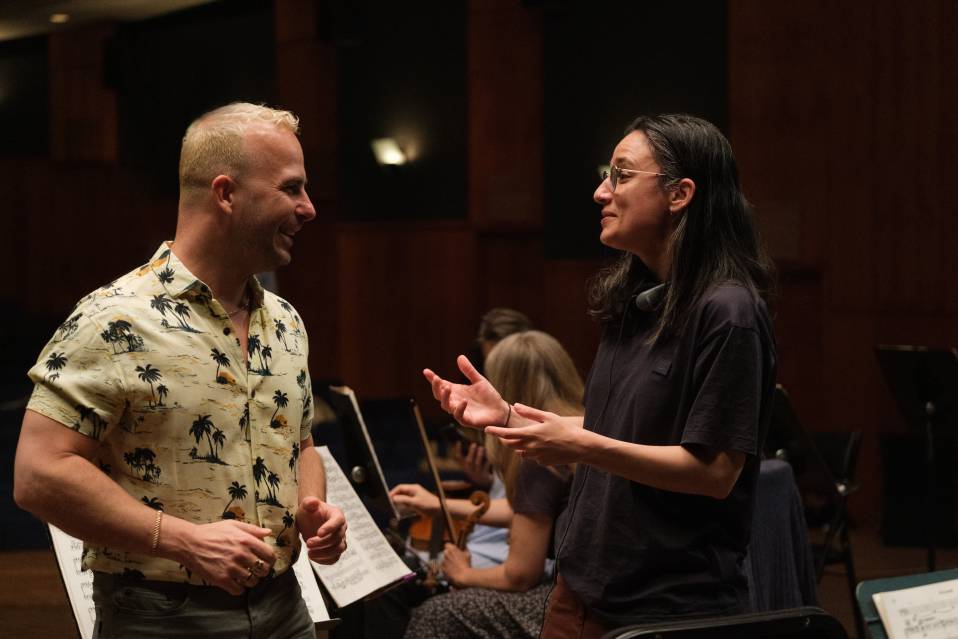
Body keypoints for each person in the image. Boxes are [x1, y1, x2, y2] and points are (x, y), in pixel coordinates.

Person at [424, 114, 777, 638]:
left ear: (679, 194)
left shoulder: (728, 310)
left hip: (666, 609)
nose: (599, 192)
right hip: (583, 589)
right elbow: (614, 429)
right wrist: (511, 416)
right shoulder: (633, 303)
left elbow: (715, 472)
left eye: (620, 175)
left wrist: (581, 444)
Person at [14, 102, 347, 638]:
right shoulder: (114, 318)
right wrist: (184, 540)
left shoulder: (284, 321)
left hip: (286, 608)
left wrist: (314, 509)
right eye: (291, 188)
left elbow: (300, 444)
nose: (308, 208)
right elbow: (38, 474)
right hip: (162, 617)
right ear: (225, 193)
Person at [394, 330, 583, 638]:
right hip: (592, 593)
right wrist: (436, 503)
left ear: (505, 387)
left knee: (434, 615)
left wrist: (465, 574)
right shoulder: (584, 428)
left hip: (564, 603)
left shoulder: (538, 456)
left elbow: (520, 575)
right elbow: (526, 512)